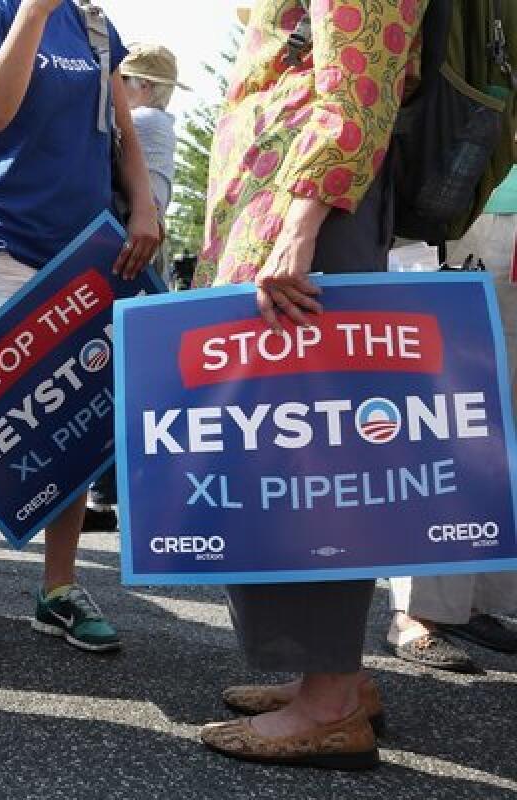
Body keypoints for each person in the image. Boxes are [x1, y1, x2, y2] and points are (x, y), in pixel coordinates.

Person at [195, 0, 428, 770]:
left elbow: (361, 76)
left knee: (315, 458)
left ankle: (328, 703)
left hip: (308, 219)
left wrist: (297, 229)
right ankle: (335, 677)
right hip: (295, 210)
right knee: (297, 451)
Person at [0, 0, 160, 663]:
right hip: (4, 248)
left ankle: (58, 588)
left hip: (88, 250)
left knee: (74, 421)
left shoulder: (93, 24)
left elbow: (123, 133)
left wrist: (144, 207)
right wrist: (32, 12)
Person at [387, 210, 517, 673]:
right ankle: (416, 610)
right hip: (462, 205)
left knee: (500, 423)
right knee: (439, 413)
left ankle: (470, 602)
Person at [84, 41, 184, 533]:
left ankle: (111, 490)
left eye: (123, 83)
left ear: (142, 88)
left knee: (113, 375)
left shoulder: (143, 124)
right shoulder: (162, 125)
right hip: (144, 252)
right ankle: (111, 489)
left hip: (130, 250)